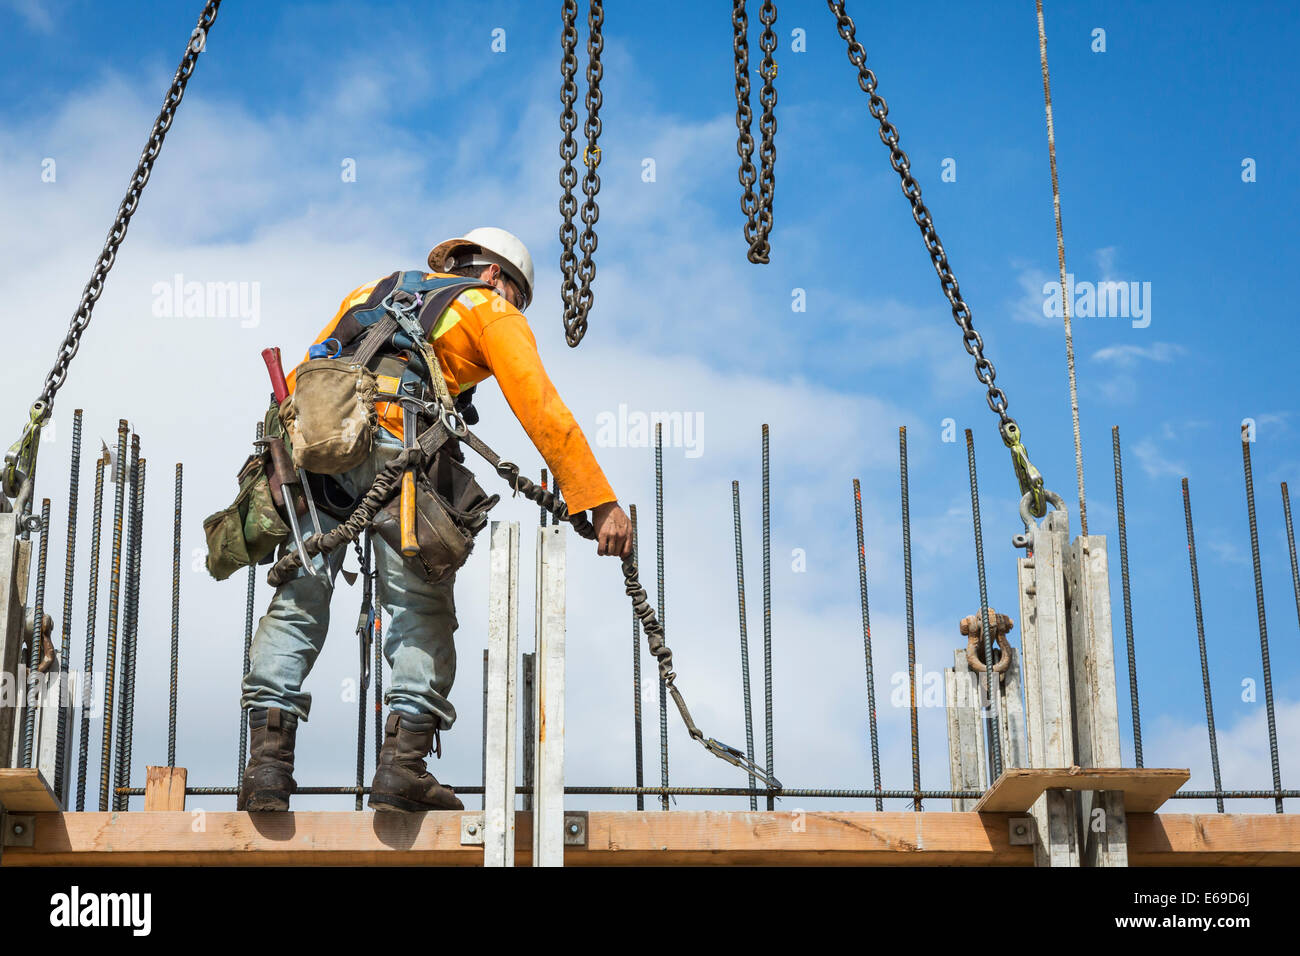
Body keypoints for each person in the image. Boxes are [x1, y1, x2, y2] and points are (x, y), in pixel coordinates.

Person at [238, 227, 631, 812]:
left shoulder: (370, 291)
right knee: (419, 607)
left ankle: (266, 770)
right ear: (496, 276)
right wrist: (597, 500)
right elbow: (539, 404)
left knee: (298, 600)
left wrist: (277, 470)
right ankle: (403, 769)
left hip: (316, 450)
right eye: (517, 296)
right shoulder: (486, 307)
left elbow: (303, 382)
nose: (513, 307)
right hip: (402, 448)